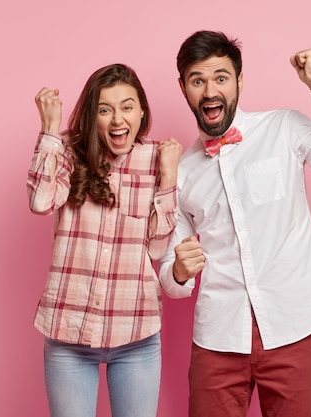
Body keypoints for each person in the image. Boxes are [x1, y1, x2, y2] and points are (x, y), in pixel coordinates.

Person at [158, 31, 311, 417]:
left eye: (221, 78)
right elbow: (174, 282)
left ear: (239, 81)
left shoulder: (284, 129)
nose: (210, 91)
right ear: (184, 89)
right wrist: (177, 272)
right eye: (198, 80)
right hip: (218, 338)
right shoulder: (183, 171)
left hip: (293, 327)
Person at [27, 63, 182, 417]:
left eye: (127, 106)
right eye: (105, 109)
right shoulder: (66, 150)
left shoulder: (158, 158)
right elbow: (40, 202)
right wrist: (50, 130)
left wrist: (169, 177)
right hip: (69, 330)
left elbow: (158, 249)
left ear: (142, 111)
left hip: (136, 333)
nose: (117, 120)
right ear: (92, 115)